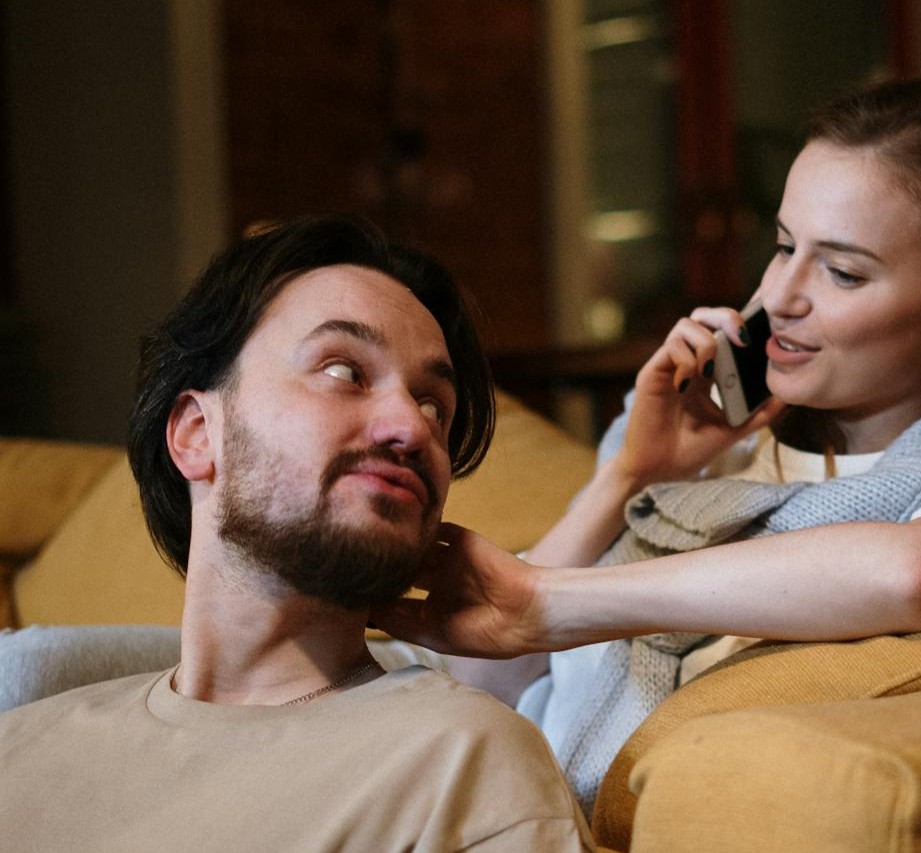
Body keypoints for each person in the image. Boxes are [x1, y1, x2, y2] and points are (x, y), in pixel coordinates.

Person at [371, 77, 921, 811]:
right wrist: (628, 475)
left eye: (841, 270)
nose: (780, 296)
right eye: (782, 245)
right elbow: (477, 675)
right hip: (467, 769)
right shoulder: (709, 460)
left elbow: (914, 570)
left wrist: (556, 603)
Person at [0, 215, 594, 852]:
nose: (412, 428)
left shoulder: (463, 762)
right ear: (197, 434)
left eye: (433, 407)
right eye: (344, 372)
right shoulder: (21, 747)